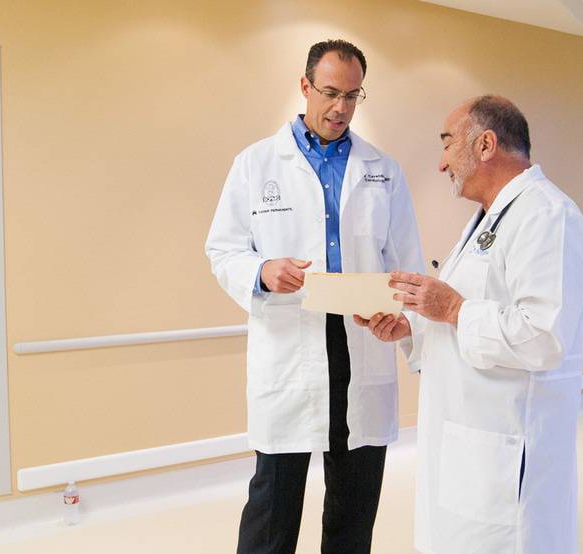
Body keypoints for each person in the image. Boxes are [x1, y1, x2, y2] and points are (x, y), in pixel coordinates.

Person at [205, 39, 424, 553]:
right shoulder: (256, 164)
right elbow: (222, 249)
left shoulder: (383, 169)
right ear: (304, 87)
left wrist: (404, 320)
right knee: (272, 509)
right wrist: (262, 269)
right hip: (291, 345)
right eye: (329, 93)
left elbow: (406, 262)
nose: (340, 108)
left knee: (354, 508)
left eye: (352, 96)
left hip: (360, 342)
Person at [357, 95, 583, 553]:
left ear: (486, 144)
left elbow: (544, 336)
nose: (442, 163)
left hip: (505, 449)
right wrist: (411, 326)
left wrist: (453, 309)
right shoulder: (488, 221)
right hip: (467, 441)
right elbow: (469, 311)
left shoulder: (547, 216)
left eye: (447, 144)